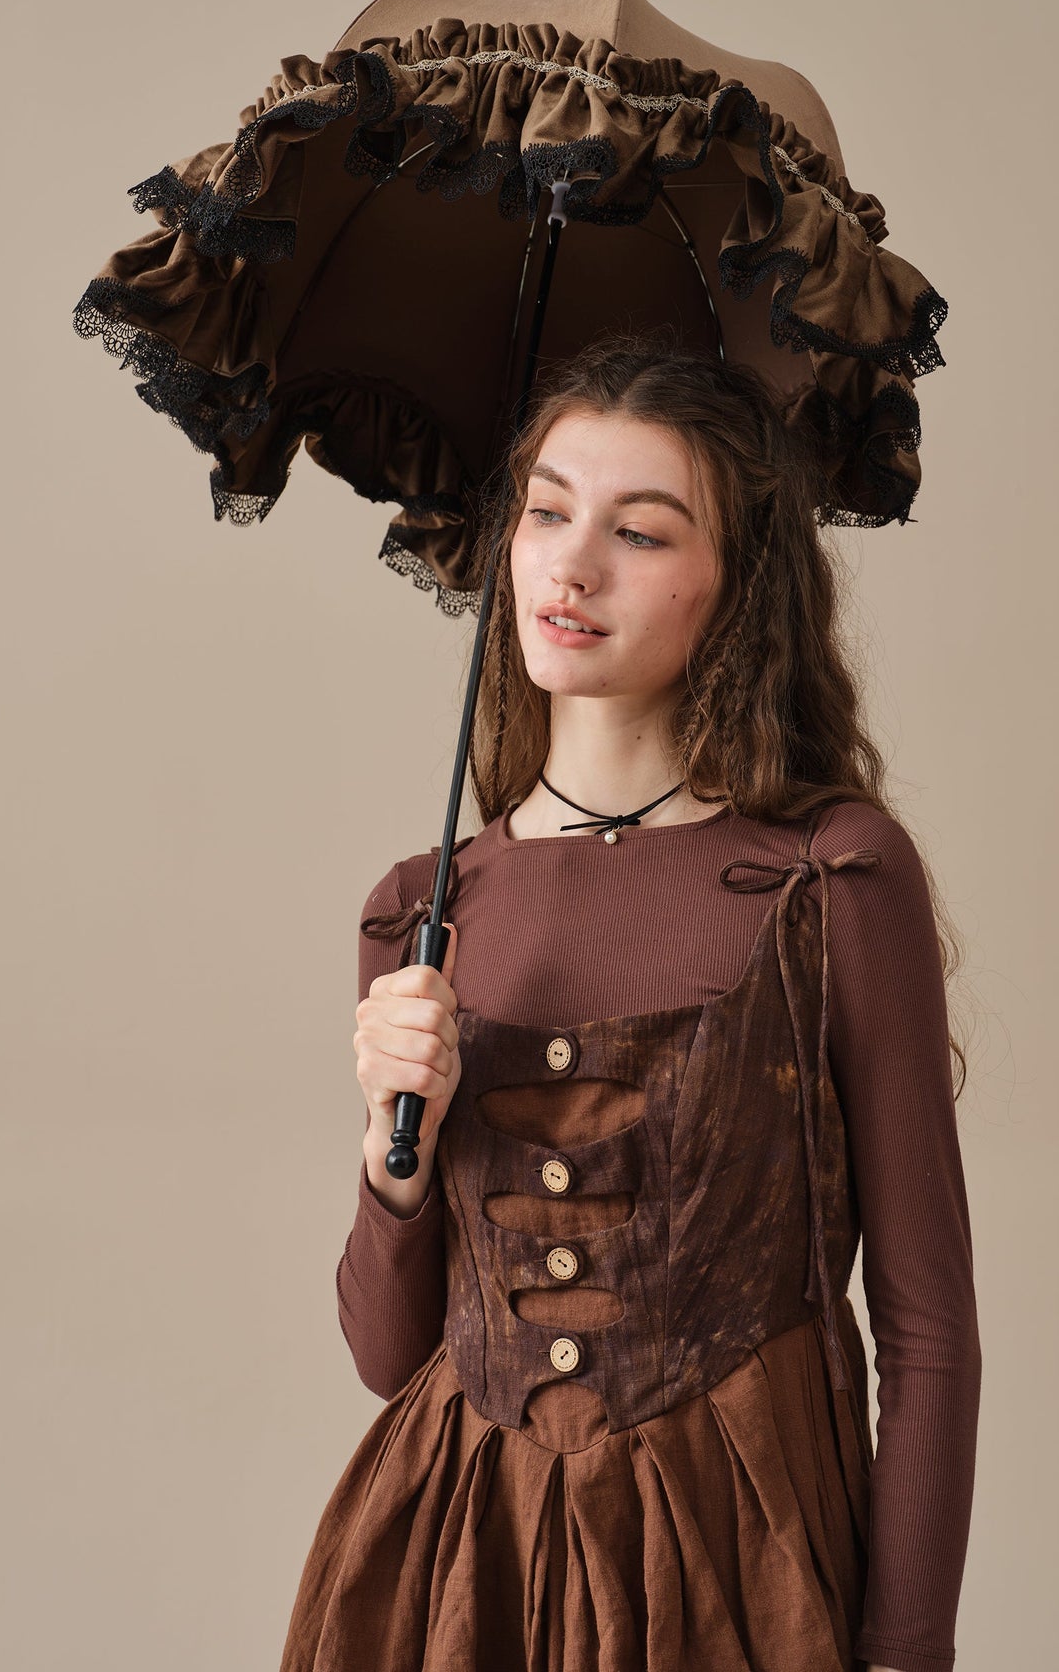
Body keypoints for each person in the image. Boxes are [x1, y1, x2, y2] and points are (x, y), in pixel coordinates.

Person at [279, 330, 983, 1672]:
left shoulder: (830, 875)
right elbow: (385, 1354)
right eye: (546, 512)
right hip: (459, 1569)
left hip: (736, 1560)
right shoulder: (420, 910)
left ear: (740, 582)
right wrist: (391, 1154)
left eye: (641, 532)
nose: (572, 566)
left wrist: (907, 1650)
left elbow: (927, 1323)